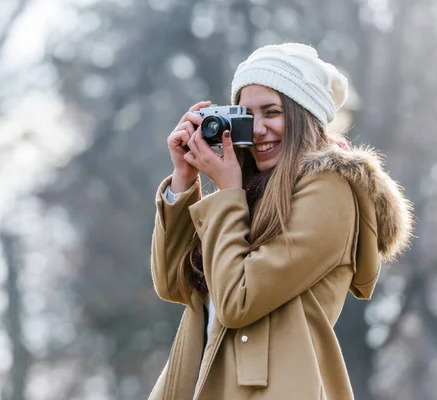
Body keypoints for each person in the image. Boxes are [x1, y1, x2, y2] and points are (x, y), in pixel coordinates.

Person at [148, 43, 414, 400]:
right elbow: (172, 284)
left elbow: (238, 301)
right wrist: (183, 180)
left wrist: (227, 192)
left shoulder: (330, 191)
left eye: (272, 113)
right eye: (246, 115)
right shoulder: (247, 195)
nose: (258, 130)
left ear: (304, 116)